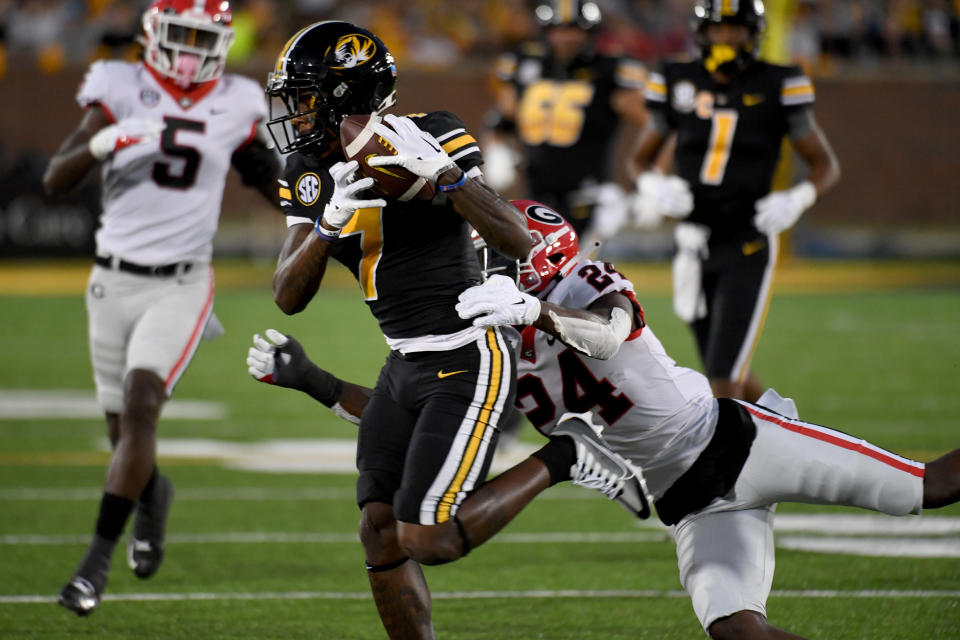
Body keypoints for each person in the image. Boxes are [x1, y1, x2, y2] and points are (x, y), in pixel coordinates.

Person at [249, 200, 960, 640]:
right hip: (688, 507)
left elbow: (610, 332)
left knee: (928, 486)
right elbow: (407, 419)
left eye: (497, 257)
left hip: (742, 444)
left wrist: (538, 311)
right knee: (739, 629)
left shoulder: (581, 285)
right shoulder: (484, 340)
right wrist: (313, 382)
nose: (483, 269)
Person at [263, 21, 646, 640]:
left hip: (467, 354)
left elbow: (515, 239)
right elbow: (287, 295)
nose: (294, 114)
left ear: (343, 95)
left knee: (429, 535)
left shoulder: (432, 133)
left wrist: (447, 177)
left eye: (306, 98)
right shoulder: (307, 168)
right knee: (379, 528)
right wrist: (328, 225)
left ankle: (568, 454)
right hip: (403, 360)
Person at [44, 0, 281, 616]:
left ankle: (93, 566)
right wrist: (104, 139)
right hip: (110, 280)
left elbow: (266, 177)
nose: (189, 51)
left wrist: (320, 206)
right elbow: (55, 180)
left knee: (143, 406)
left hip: (182, 281)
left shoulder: (237, 100)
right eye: (179, 35)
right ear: (153, 34)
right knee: (120, 431)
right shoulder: (118, 84)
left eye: (202, 38)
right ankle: (155, 496)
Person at [632, 0, 841, 401]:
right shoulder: (677, 78)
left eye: (736, 30)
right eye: (718, 29)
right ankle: (784, 431)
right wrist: (652, 186)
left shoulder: (779, 82)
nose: (727, 38)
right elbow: (639, 160)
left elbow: (825, 165)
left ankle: (726, 463)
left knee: (724, 378)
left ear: (753, 33)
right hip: (692, 243)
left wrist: (798, 198)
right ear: (701, 33)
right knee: (723, 369)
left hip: (747, 240)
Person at [484, 0, 648, 248]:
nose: (567, 37)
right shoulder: (525, 64)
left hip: (588, 193)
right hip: (537, 192)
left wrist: (644, 178)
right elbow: (502, 116)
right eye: (559, 29)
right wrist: (496, 149)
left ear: (590, 33)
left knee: (573, 273)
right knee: (534, 274)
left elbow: (654, 123)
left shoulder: (608, 70)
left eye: (575, 30)